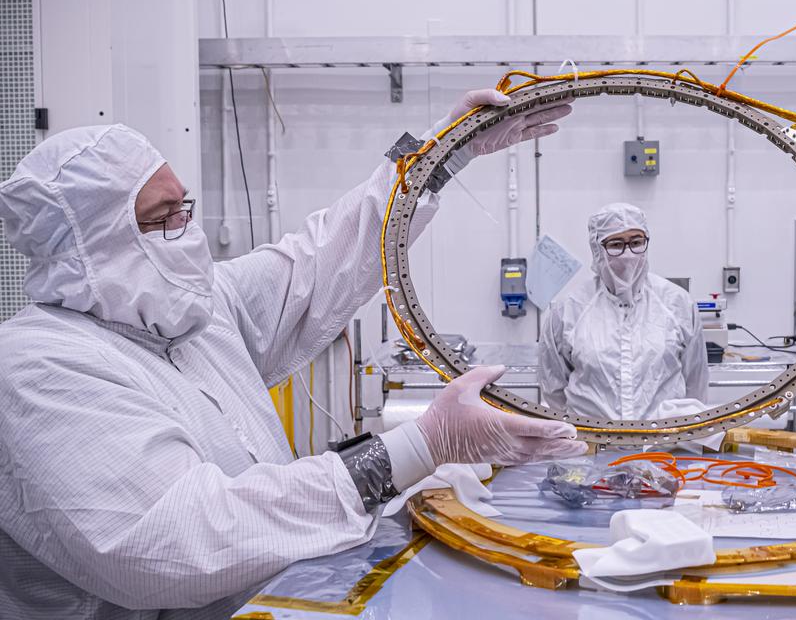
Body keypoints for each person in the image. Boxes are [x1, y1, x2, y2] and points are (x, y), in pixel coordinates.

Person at [0, 89, 586, 619]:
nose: (188, 233)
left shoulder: (191, 311)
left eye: (187, 208)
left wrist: (439, 154)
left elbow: (321, 256)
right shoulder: (39, 366)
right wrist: (418, 447)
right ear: (88, 248)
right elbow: (175, 542)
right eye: (162, 219)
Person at [539, 202, 709, 420]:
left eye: (636, 242)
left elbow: (696, 385)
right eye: (616, 244)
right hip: (591, 445)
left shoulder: (677, 304)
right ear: (597, 248)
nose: (628, 254)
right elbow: (553, 389)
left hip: (663, 447)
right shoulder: (568, 309)